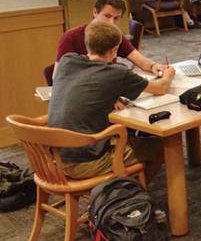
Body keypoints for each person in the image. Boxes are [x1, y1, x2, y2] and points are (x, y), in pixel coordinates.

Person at [48, 21, 175, 183]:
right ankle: (133, 194)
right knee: (159, 146)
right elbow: (160, 88)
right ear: (114, 50)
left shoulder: (67, 61)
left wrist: (112, 95)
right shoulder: (115, 73)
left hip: (55, 156)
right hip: (86, 162)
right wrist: (169, 75)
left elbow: (89, 83)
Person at [54, 0, 166, 77]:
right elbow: (58, 76)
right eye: (107, 16)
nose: (111, 23)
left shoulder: (114, 35)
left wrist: (153, 66)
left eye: (116, 18)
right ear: (95, 12)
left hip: (107, 86)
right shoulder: (71, 37)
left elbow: (139, 59)